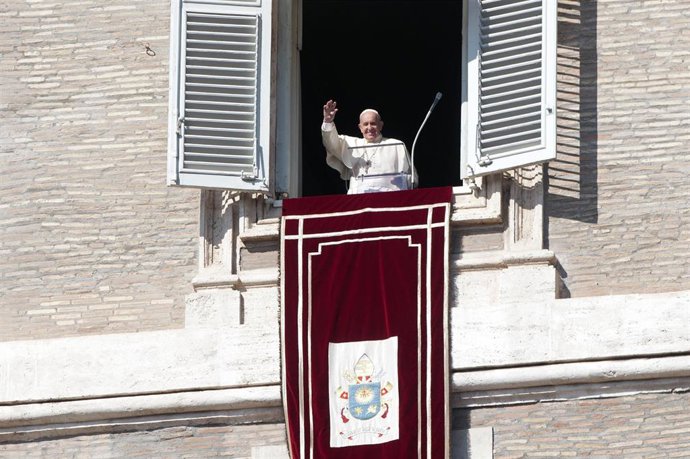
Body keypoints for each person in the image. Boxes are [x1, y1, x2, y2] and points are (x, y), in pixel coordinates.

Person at [321, 100, 416, 194]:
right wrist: (328, 121)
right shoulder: (350, 143)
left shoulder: (396, 145)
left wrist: (401, 182)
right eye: (365, 124)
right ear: (360, 127)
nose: (369, 127)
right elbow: (331, 144)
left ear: (381, 125)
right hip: (358, 199)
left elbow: (412, 178)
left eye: (373, 123)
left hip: (389, 197)